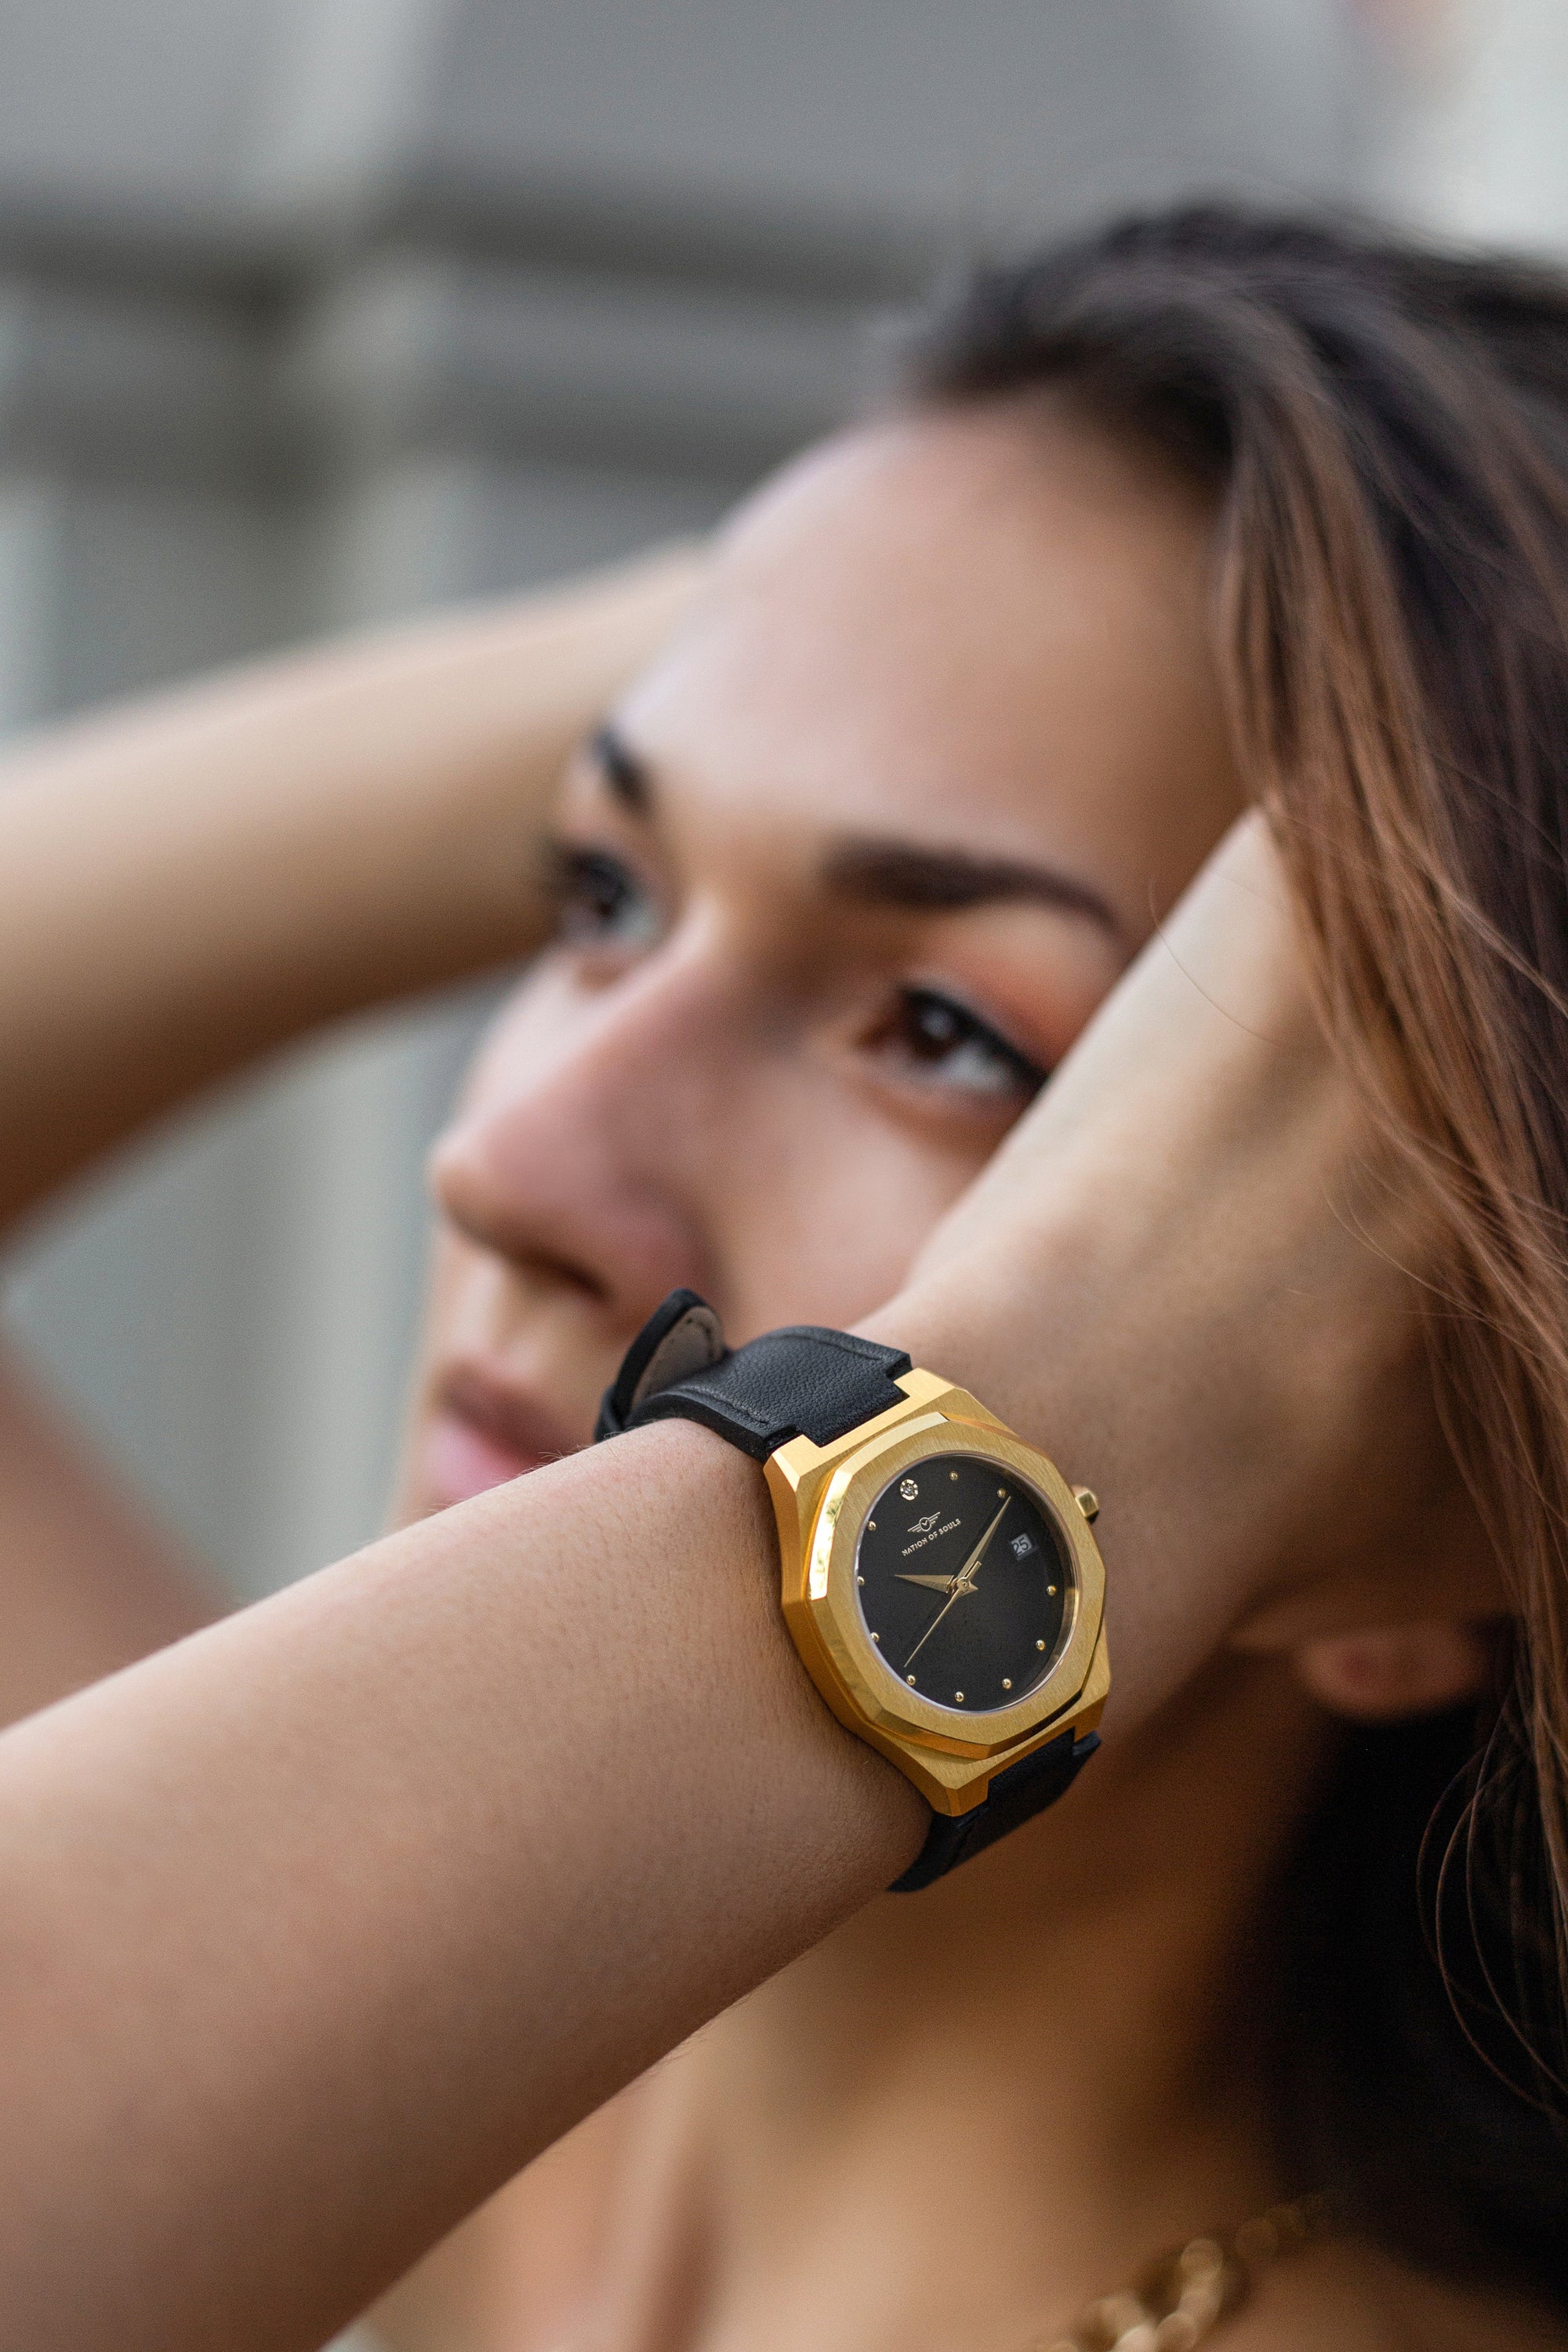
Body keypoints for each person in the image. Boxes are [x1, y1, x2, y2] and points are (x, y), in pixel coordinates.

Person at [0, 205, 1563, 2352]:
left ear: (1435, 1507)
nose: (509, 1161)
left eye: (941, 1031)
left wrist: (1015, 1446)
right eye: (600, 891)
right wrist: (795, 603)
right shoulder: (442, 2126)